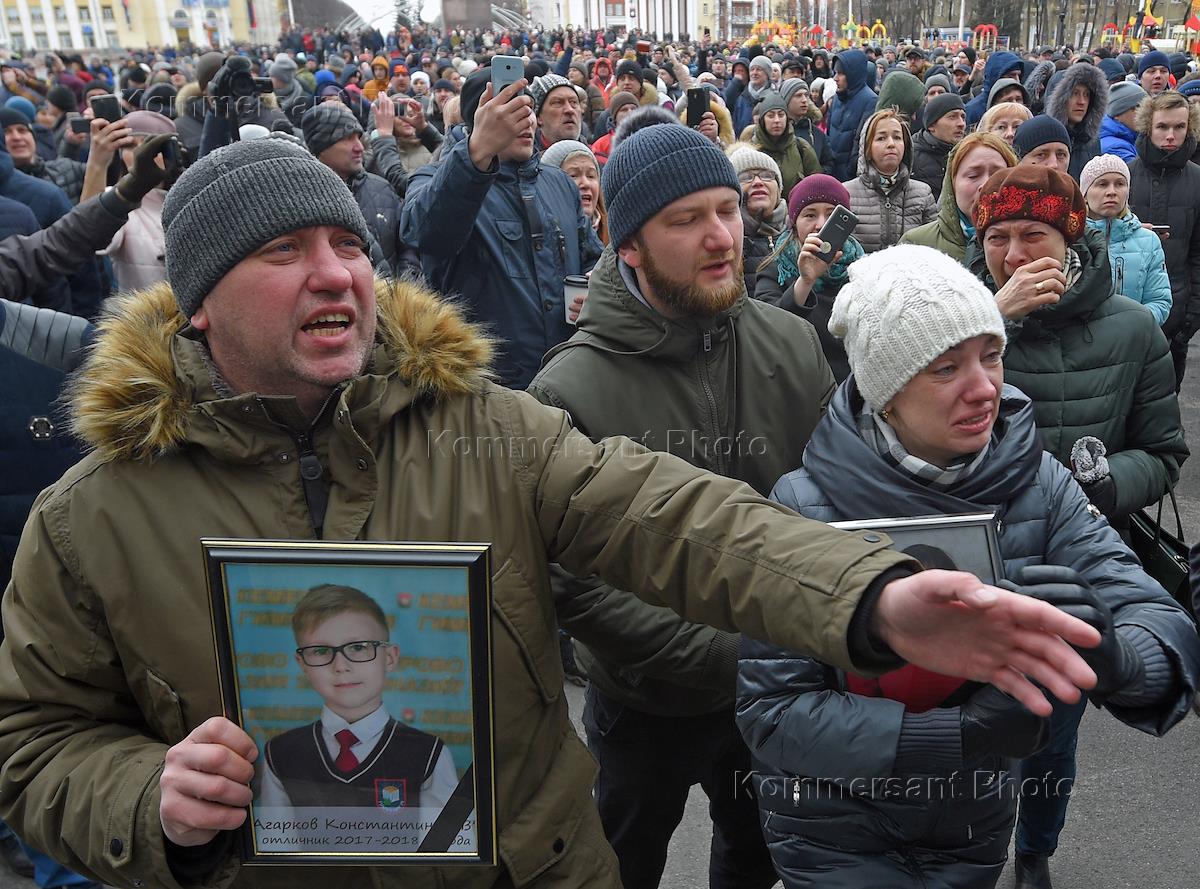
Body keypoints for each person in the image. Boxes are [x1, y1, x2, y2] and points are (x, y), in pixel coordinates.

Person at [0, 135, 1102, 889]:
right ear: (197, 303)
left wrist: (870, 597)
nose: (334, 275)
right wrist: (150, 798)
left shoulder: (485, 427)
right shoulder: (92, 518)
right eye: (284, 253)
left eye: (348, 247)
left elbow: (674, 517)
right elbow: (33, 741)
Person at [740, 243, 1200, 889]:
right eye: (945, 367)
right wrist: (960, 734)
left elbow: (1151, 609)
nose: (985, 387)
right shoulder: (802, 505)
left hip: (972, 830)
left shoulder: (1039, 482)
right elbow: (773, 711)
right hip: (831, 831)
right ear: (886, 391)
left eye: (991, 354)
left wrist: (1123, 659)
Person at [527, 123, 838, 889]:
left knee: (758, 856)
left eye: (726, 210)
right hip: (643, 707)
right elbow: (573, 583)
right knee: (623, 863)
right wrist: (739, 651)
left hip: (772, 698)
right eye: (686, 219)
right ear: (628, 244)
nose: (721, 235)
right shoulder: (567, 387)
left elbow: (839, 499)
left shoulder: (792, 345)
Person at [970, 165, 1188, 889]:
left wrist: (1108, 480)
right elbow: (888, 413)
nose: (1014, 253)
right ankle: (963, 854)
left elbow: (1163, 452)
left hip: (1073, 572)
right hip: (971, 561)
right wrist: (989, 319)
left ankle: (1034, 850)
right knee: (961, 730)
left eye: (1033, 233)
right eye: (997, 236)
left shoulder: (1131, 328)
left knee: (1050, 734)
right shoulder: (959, 314)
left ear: (1071, 237)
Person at [400, 68, 604, 388]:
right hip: (487, 393)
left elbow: (594, 256)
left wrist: (596, 283)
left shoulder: (560, 183)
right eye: (510, 109)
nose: (526, 119)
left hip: (566, 380)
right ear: (479, 120)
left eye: (529, 108)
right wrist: (477, 153)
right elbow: (426, 234)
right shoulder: (433, 179)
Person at [257, 584, 457, 811]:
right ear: (303, 664)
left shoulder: (429, 754)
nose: (341, 666)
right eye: (321, 651)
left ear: (390, 658)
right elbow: (276, 834)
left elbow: (447, 834)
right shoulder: (280, 754)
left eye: (359, 647)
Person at [754, 174, 864, 380]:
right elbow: (768, 331)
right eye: (810, 215)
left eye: (831, 214)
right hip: (802, 380)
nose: (820, 224)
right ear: (795, 223)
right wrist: (805, 282)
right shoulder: (775, 268)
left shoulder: (863, 268)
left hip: (854, 383)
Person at [1127, 90, 1200, 387]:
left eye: (1179, 127)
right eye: (1162, 126)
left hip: (1177, 313)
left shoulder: (1197, 179)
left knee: (1166, 396)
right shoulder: (1125, 176)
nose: (1170, 135)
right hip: (1127, 309)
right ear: (1148, 126)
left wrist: (1192, 316)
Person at [302, 101, 407, 278]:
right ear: (321, 147)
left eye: (358, 137)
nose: (359, 147)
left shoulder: (382, 188)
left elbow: (407, 249)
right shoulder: (302, 199)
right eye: (347, 138)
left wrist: (406, 285)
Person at [900, 131, 1017, 263]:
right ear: (952, 183)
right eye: (973, 176)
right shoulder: (916, 245)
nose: (985, 185)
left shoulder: (1032, 242)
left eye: (998, 175)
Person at [1082, 154, 1171, 325]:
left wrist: (1131, 328)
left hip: (1134, 337)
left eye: (1120, 184)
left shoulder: (1149, 241)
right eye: (1102, 184)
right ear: (1085, 193)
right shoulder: (1071, 238)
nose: (1112, 192)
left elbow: (1159, 301)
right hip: (1082, 337)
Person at [843, 108, 937, 254]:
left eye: (897, 137)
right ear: (867, 148)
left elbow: (934, 248)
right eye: (881, 138)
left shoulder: (923, 193)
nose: (891, 144)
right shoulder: (846, 193)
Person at [729, 145, 785, 296]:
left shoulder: (797, 230)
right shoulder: (725, 239)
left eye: (767, 175)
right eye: (746, 177)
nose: (758, 182)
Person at [541, 137, 609, 255]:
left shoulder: (615, 235)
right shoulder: (540, 239)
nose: (585, 183)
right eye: (573, 175)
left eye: (591, 176)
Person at [1043, 62, 1108, 179]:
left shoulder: (1090, 141)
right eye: (1074, 93)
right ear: (1058, 99)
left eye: (1087, 95)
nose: (1082, 102)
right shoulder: (1041, 136)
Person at [751, 91, 818, 197]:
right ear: (762, 121)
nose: (777, 120)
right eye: (771, 116)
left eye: (781, 115)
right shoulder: (751, 152)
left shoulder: (802, 148)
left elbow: (816, 186)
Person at [827, 49, 877, 180]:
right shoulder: (837, 97)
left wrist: (850, 170)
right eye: (835, 73)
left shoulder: (870, 101)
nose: (835, 78)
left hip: (851, 176)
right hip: (832, 171)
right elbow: (829, 132)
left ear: (852, 74)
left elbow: (862, 141)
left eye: (840, 73)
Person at [910, 92, 966, 199]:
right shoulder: (911, 158)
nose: (961, 124)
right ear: (931, 125)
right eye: (952, 117)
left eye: (963, 117)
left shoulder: (968, 154)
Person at [780, 78, 832, 172]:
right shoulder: (777, 132)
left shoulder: (817, 134)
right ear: (786, 99)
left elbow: (829, 163)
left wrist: (818, 175)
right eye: (798, 95)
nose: (804, 100)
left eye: (806, 95)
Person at [965, 51, 1024, 125]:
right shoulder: (973, 110)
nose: (1017, 80)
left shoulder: (1021, 106)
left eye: (1019, 76)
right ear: (995, 77)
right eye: (1011, 76)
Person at [530, 73, 583, 148]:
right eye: (557, 102)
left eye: (573, 102)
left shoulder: (595, 154)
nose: (569, 110)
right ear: (538, 118)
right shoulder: (521, 154)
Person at [1098, 81, 1148, 162]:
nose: (1143, 113)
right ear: (1117, 114)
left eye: (1145, 107)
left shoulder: (1130, 137)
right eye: (1136, 108)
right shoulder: (1114, 148)